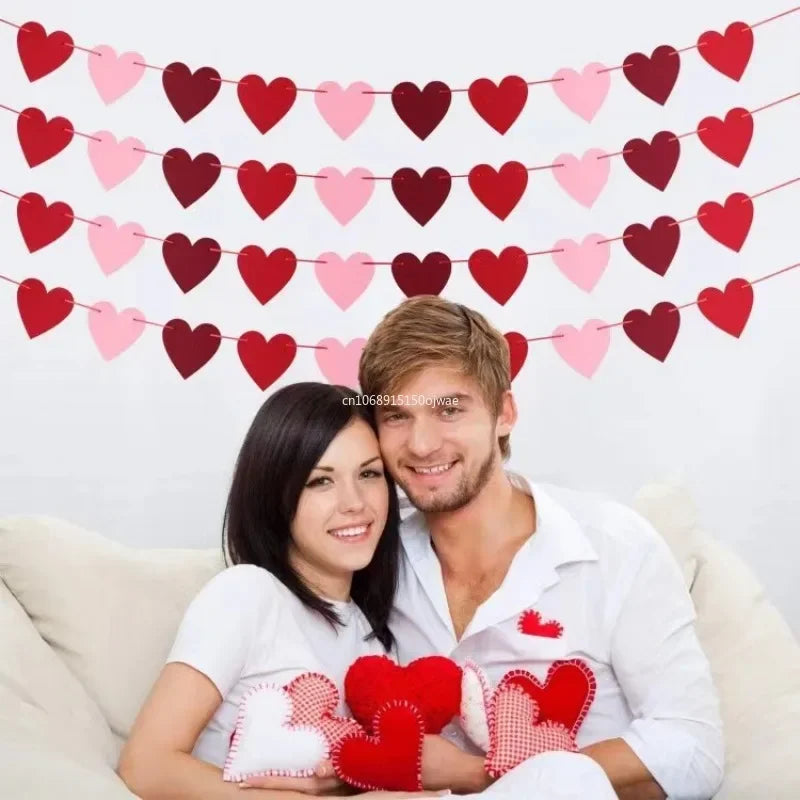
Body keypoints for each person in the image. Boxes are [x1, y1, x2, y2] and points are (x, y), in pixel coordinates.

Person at [354, 295, 725, 800]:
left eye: (450, 410)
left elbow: (694, 748)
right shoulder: (366, 557)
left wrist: (492, 776)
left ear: (504, 413)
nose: (421, 444)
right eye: (397, 416)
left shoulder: (614, 547)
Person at [117, 382, 443, 800]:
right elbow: (145, 766)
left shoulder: (375, 643)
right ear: (275, 496)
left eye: (369, 474)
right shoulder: (247, 595)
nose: (354, 503)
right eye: (320, 481)